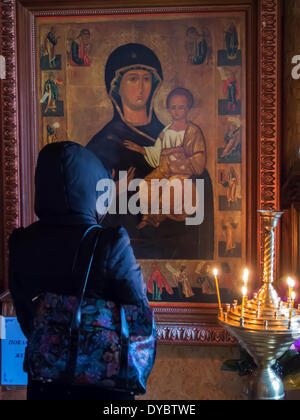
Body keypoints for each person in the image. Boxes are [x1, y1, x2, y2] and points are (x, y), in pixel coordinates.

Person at [8, 141, 150, 400]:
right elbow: (139, 317)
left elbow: (26, 316)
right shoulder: (111, 241)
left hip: (45, 384)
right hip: (104, 385)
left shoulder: (21, 242)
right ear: (92, 186)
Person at [87, 43, 214, 260]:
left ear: (155, 85)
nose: (141, 87)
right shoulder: (103, 143)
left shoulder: (170, 133)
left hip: (174, 247)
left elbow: (199, 187)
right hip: (121, 251)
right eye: (133, 78)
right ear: (116, 86)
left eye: (146, 78)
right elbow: (89, 201)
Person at [124, 87, 208, 230]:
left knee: (171, 186)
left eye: (181, 108)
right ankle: (148, 218)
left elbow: (199, 156)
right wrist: (141, 149)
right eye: (173, 108)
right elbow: (157, 152)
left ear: (188, 109)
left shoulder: (193, 131)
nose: (177, 111)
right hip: (163, 169)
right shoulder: (165, 131)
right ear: (168, 109)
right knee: (146, 184)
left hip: (182, 171)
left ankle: (158, 217)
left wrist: (179, 162)